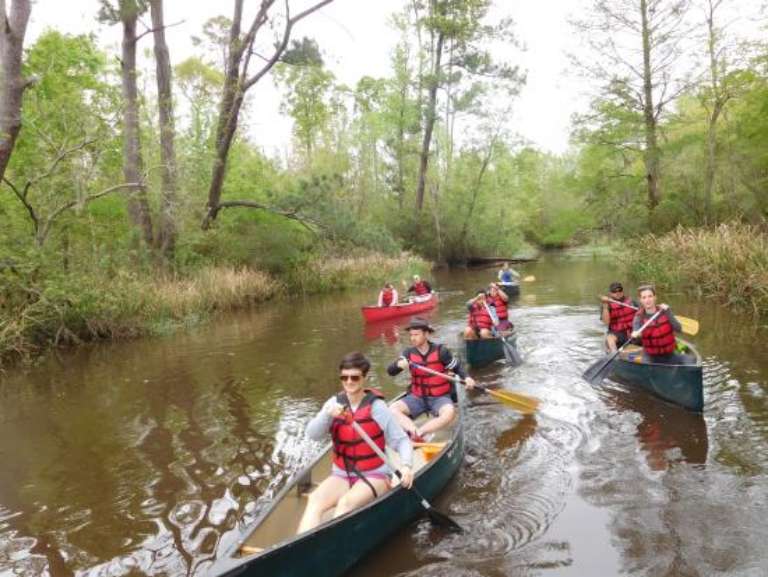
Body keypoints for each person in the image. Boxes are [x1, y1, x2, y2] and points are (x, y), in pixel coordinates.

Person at [297, 352, 413, 534]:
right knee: (315, 500)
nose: (349, 382)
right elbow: (312, 434)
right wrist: (327, 415)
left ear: (364, 378)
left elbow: (401, 440)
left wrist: (406, 466)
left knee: (345, 504)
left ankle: (329, 548)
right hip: (342, 474)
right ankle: (301, 551)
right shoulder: (333, 403)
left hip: (375, 474)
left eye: (354, 377)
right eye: (344, 377)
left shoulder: (377, 407)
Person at [387, 318, 476, 441]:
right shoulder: (408, 353)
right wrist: (398, 365)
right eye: (411, 335)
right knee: (392, 409)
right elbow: (390, 372)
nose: (412, 338)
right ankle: (414, 432)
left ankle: (420, 432)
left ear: (426, 334)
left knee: (449, 412)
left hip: (440, 397)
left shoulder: (441, 351)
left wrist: (467, 378)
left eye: (416, 334)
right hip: (416, 397)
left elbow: (457, 368)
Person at [630, 285, 686, 365]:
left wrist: (668, 312)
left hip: (669, 354)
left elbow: (678, 329)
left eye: (650, 296)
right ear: (640, 300)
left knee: (691, 361)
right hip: (651, 356)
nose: (647, 300)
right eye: (644, 297)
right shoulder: (638, 317)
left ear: (655, 297)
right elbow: (635, 339)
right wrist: (636, 335)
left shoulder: (664, 311)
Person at [600, 281, 638, 352]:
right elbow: (606, 322)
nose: (617, 293)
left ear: (622, 291)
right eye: (614, 291)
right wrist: (605, 306)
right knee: (610, 338)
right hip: (617, 333)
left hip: (632, 331)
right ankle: (615, 355)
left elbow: (643, 313)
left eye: (619, 290)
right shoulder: (607, 305)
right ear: (610, 293)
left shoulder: (632, 302)